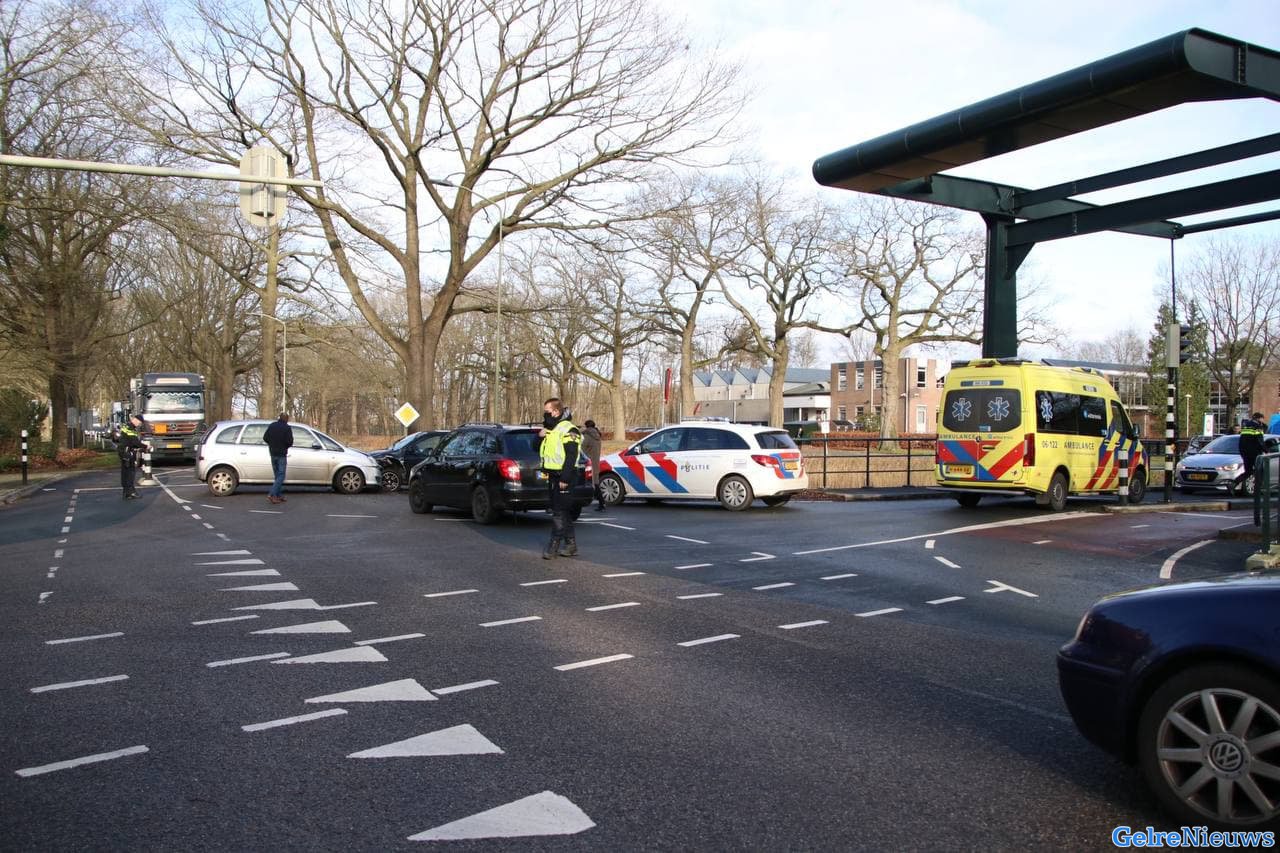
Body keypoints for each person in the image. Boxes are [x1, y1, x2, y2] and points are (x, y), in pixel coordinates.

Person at [538, 397, 582, 559]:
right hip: (553, 475)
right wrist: (540, 436)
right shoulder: (551, 429)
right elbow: (537, 448)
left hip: (565, 476)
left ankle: (554, 545)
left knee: (558, 512)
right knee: (562, 511)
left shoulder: (569, 429)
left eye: (547, 412)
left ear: (556, 411)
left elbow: (571, 457)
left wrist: (565, 478)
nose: (545, 415)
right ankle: (571, 545)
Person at [263, 412, 293, 505]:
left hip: (272, 453)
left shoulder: (272, 426)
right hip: (282, 454)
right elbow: (290, 442)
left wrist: (272, 444)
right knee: (281, 475)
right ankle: (272, 494)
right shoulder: (287, 428)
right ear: (287, 419)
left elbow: (265, 437)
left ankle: (278, 495)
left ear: (279, 418)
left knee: (277, 475)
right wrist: (285, 446)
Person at [117, 413, 145, 499]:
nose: (139, 425)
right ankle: (131, 492)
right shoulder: (130, 428)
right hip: (127, 452)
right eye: (139, 423)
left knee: (125, 472)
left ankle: (126, 492)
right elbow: (135, 442)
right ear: (136, 420)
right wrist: (146, 446)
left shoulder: (126, 426)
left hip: (123, 451)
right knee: (130, 472)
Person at [581, 418, 605, 512]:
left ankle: (601, 502)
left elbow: (581, 449)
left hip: (588, 463)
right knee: (595, 482)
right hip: (595, 462)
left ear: (587, 426)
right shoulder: (597, 435)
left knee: (593, 483)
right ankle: (601, 502)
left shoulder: (587, 436)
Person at [1239, 411, 1266, 490]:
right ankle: (1258, 488)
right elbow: (1260, 441)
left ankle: (1235, 482)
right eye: (1262, 419)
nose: (1263, 421)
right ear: (1258, 419)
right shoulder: (1257, 427)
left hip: (1244, 452)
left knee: (1248, 471)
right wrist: (1267, 451)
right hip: (1254, 453)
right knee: (1260, 471)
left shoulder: (1246, 426)